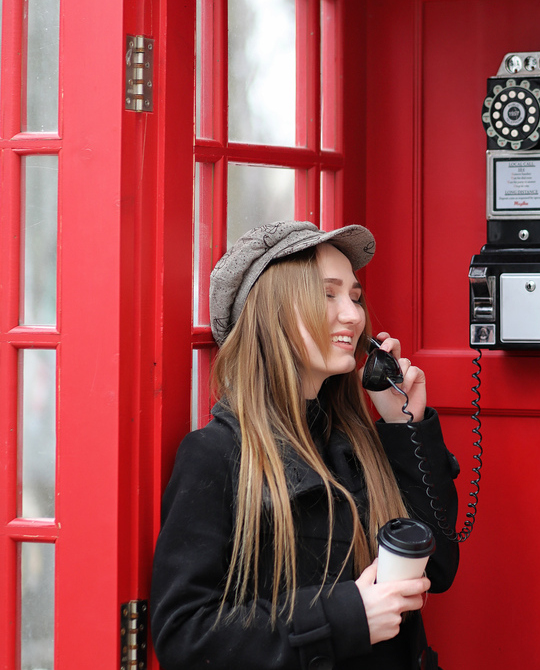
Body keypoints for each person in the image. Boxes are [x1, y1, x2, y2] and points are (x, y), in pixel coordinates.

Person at [150, 220, 459, 670]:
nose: (353, 316)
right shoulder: (216, 455)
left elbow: (439, 567)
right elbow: (185, 634)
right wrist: (349, 615)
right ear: (271, 312)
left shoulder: (362, 443)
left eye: (354, 297)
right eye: (327, 294)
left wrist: (403, 424)